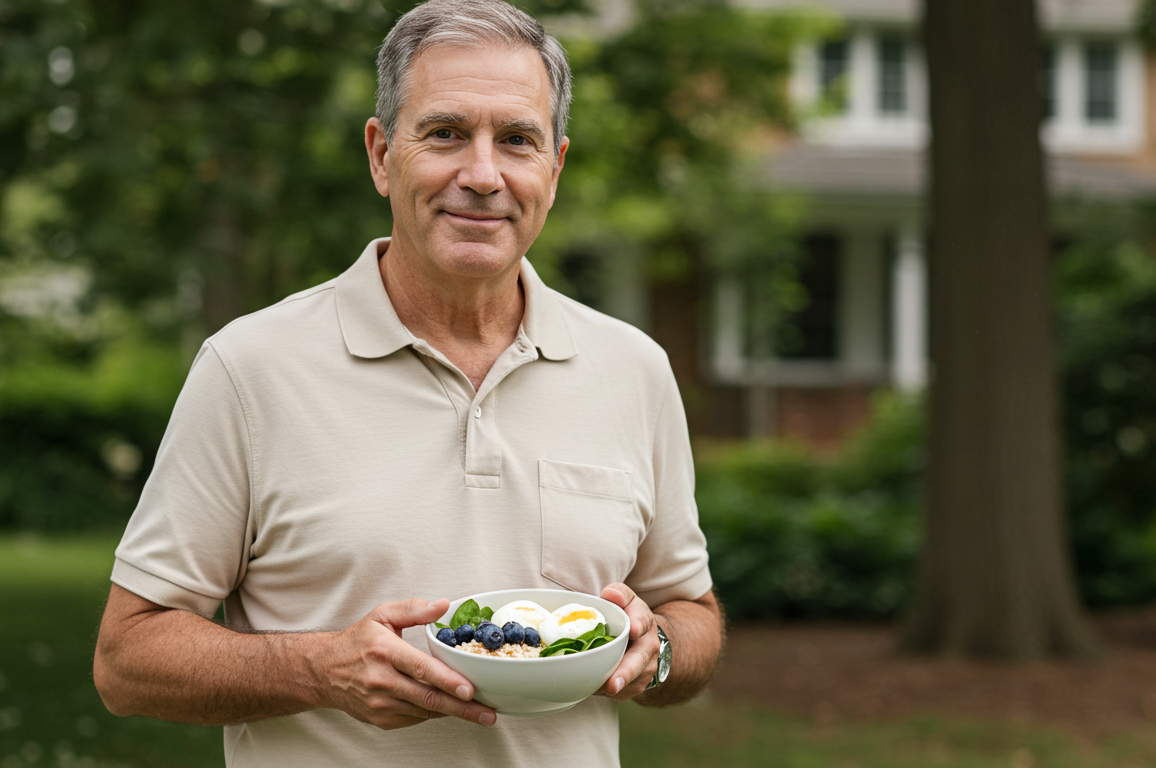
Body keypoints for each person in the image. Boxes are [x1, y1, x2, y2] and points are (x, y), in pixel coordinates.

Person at [91, 1, 723, 765]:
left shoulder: (633, 369)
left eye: (516, 141)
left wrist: (657, 653)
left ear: (554, 169)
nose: (483, 175)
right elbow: (127, 661)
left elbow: (692, 611)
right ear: (382, 153)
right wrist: (319, 671)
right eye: (446, 133)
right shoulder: (251, 367)